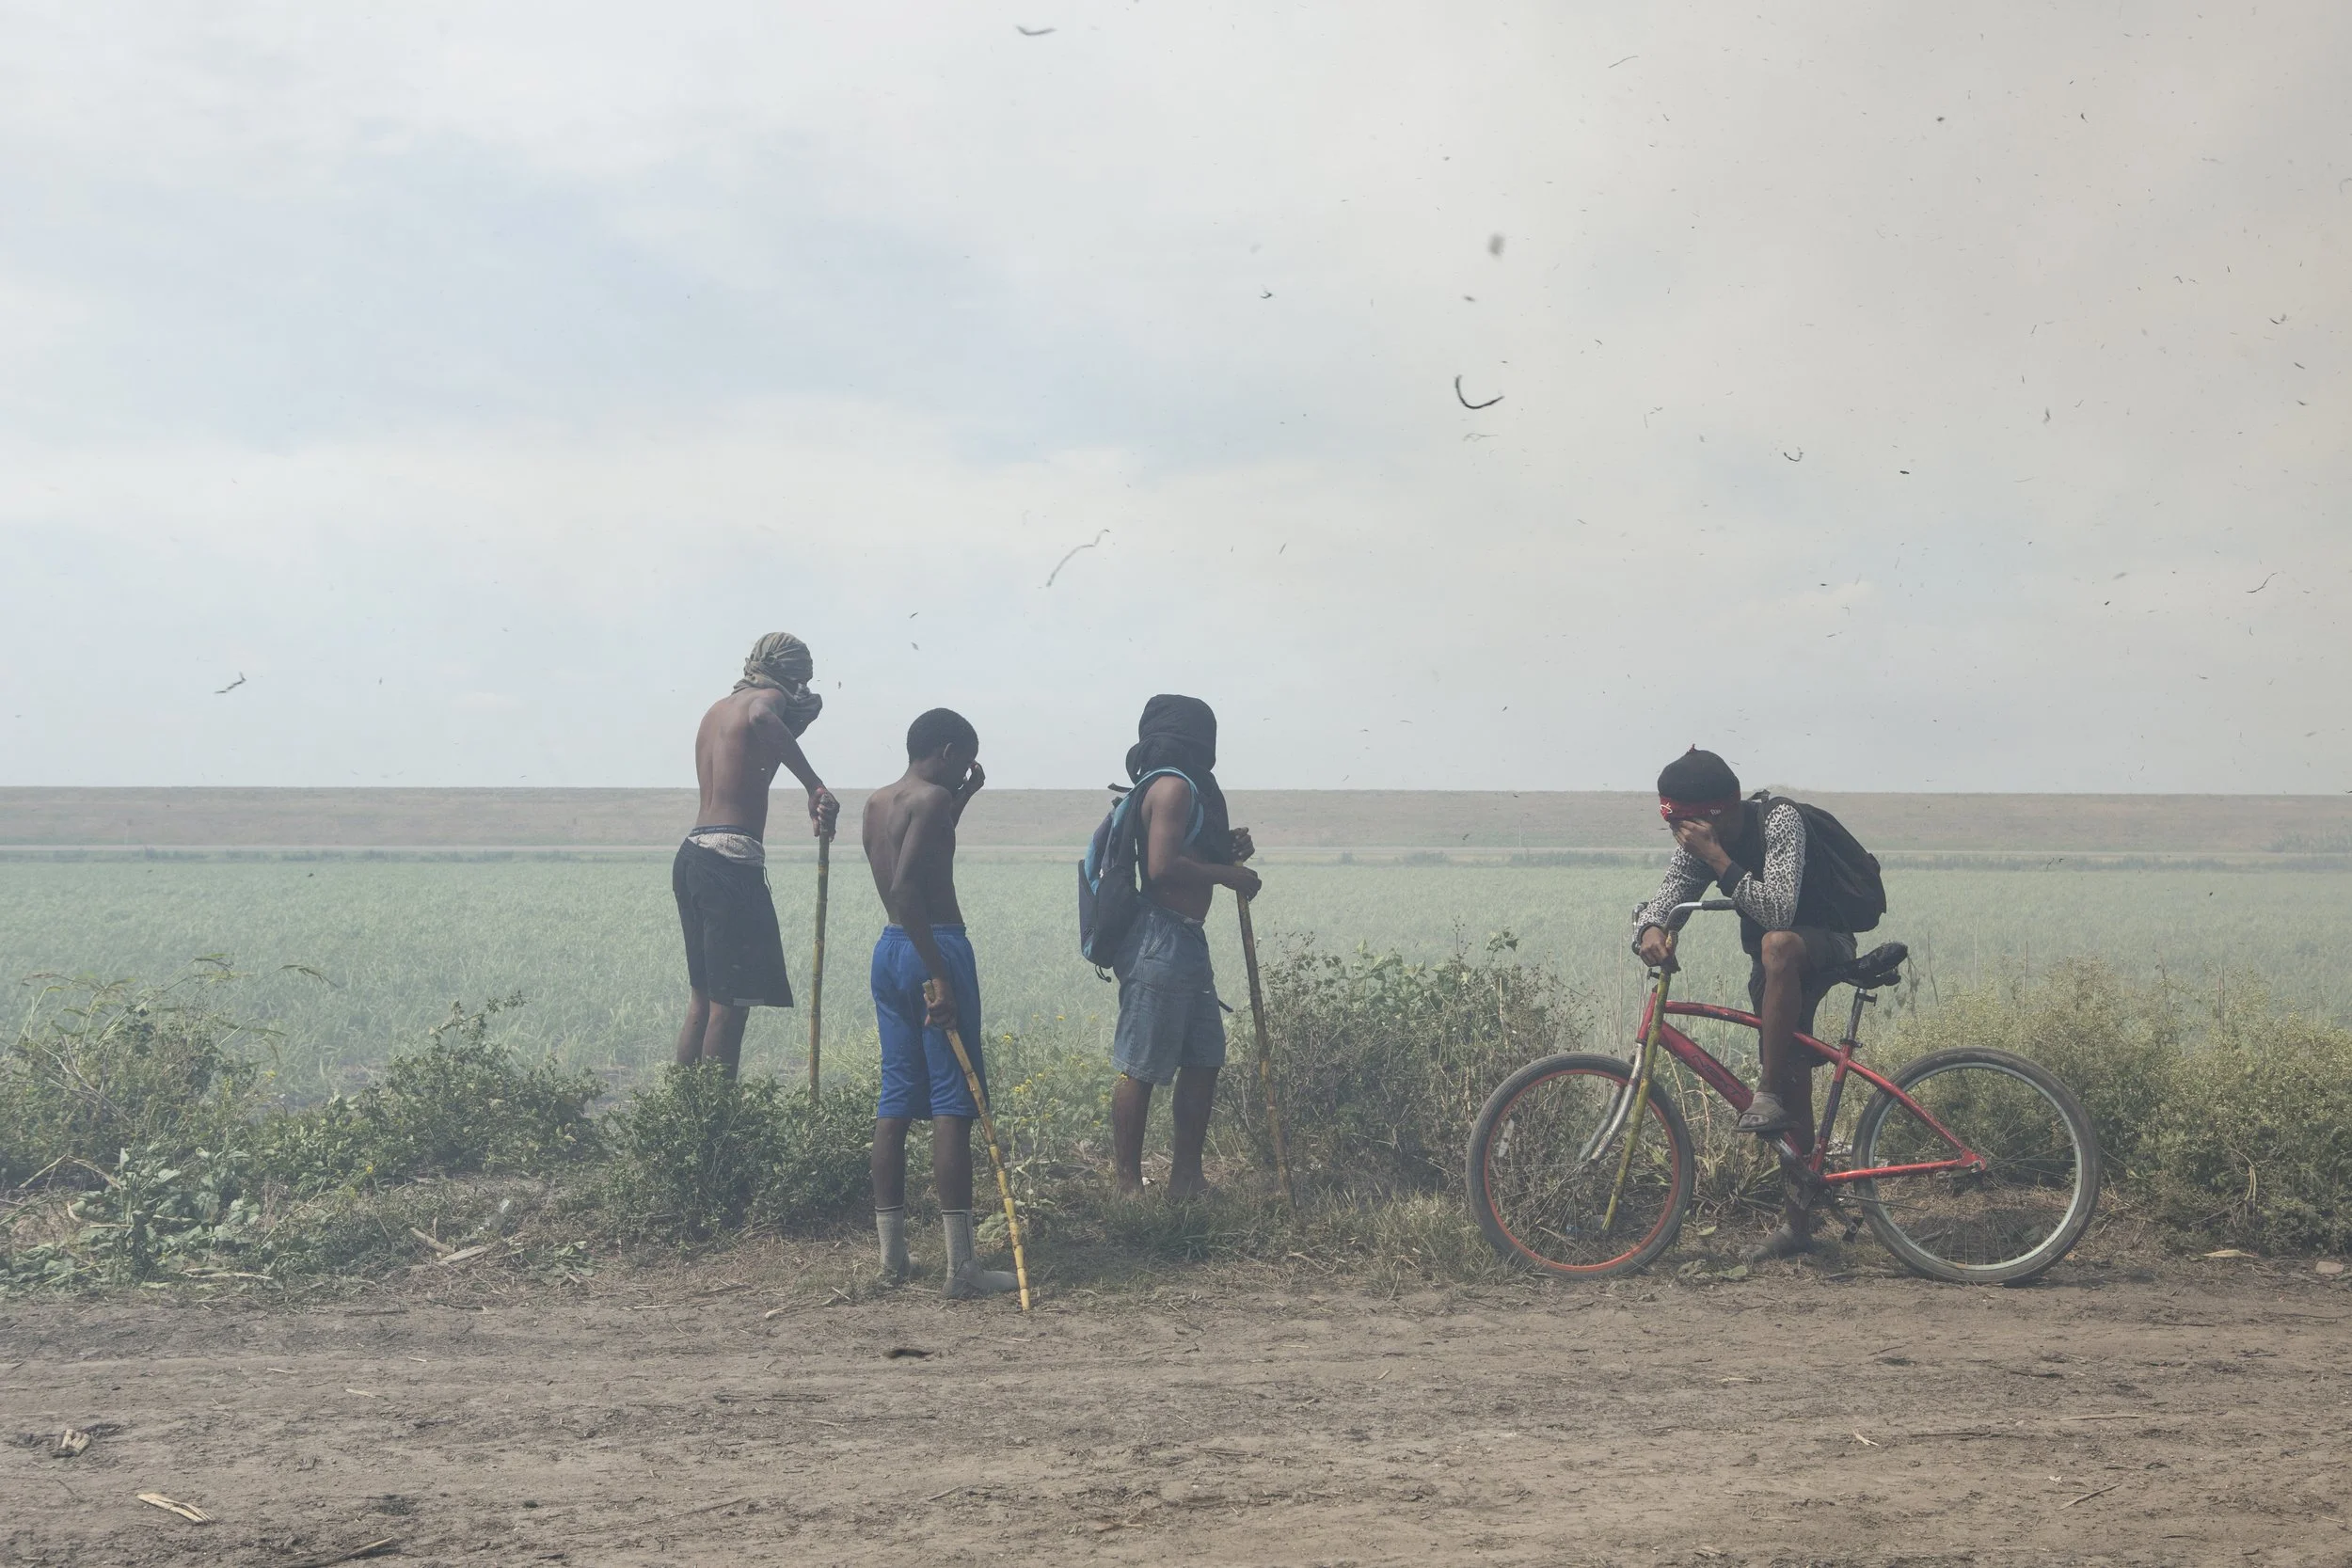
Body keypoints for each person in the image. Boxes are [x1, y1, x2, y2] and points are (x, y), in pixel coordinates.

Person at [1630, 748, 1857, 1261]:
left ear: (1713, 814)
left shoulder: (1779, 821)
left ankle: (1767, 1091)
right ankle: (1798, 1228)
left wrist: (1718, 859)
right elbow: (1666, 898)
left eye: (1683, 825)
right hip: (1775, 969)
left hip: (1825, 944)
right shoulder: (1697, 847)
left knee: (1776, 944)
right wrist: (1649, 928)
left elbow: (1779, 909)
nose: (1678, 838)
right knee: (1793, 1083)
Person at [861, 707, 1018, 1299]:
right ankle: (962, 1269)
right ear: (949, 752)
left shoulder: (879, 802)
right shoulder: (931, 800)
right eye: (964, 762)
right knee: (954, 1101)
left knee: (896, 1097)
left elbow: (915, 851)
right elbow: (908, 889)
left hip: (890, 951)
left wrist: (964, 796)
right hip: (935, 947)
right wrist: (939, 975)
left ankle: (893, 1260)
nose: (963, 773)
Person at [1109, 695, 1261, 1200]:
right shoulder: (1172, 787)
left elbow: (1187, 849)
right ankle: (1128, 1188)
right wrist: (1228, 875)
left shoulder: (1182, 788)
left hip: (1186, 939)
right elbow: (1161, 867)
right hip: (1161, 938)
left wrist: (1227, 849)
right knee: (1141, 1065)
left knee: (1203, 1058)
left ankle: (1187, 1181)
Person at [672, 632, 838, 1077]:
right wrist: (814, 786)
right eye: (802, 680)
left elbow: (756, 741)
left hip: (692, 855)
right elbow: (764, 717)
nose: (804, 689)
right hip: (730, 858)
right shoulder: (767, 700)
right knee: (731, 1006)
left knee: (703, 999)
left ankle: (681, 1109)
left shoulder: (718, 709)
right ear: (788, 675)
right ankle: (718, 1115)